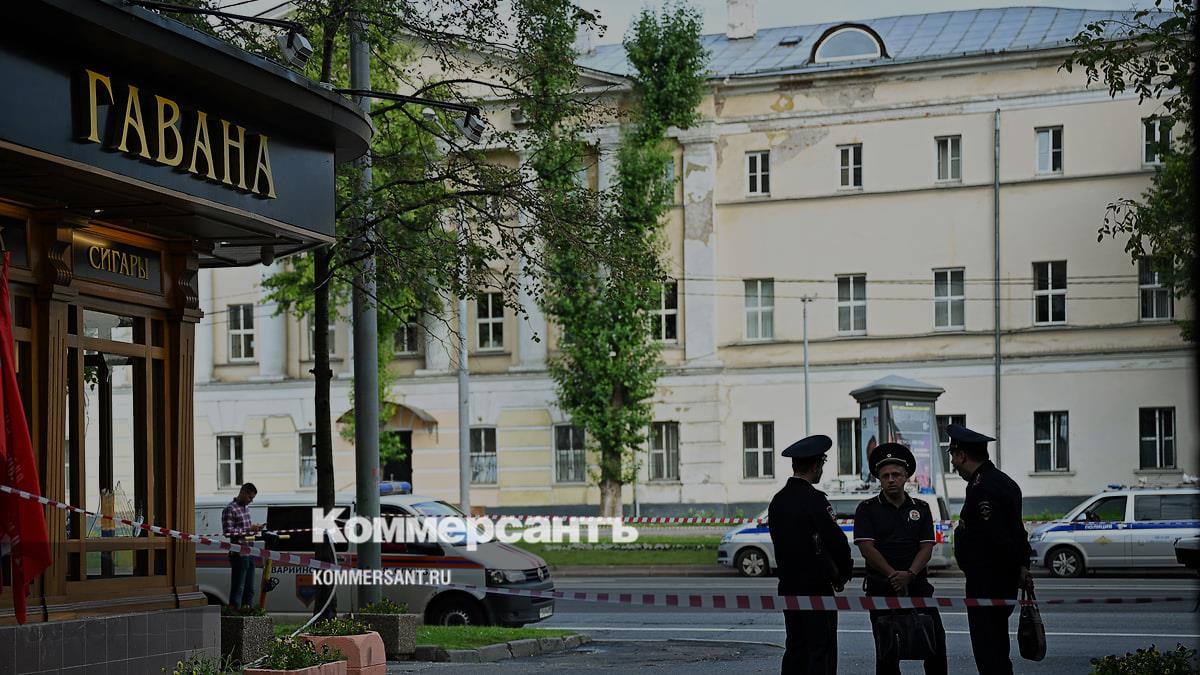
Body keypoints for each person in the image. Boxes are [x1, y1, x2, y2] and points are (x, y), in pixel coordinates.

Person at [946, 424, 1034, 675]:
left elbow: (997, 537)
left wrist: (1015, 567)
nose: (953, 462)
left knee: (989, 652)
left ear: (962, 455)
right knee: (996, 648)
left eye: (953, 455)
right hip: (999, 580)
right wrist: (1022, 566)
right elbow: (1017, 532)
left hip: (988, 582)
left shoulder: (982, 487)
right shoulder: (1003, 481)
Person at [854, 442, 948, 675]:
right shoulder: (866, 509)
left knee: (935, 646)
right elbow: (867, 548)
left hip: (918, 587)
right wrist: (893, 576)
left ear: (906, 476)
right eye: (885, 475)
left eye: (896, 474)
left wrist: (910, 575)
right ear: (879, 479)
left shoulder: (922, 508)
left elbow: (926, 547)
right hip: (882, 590)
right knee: (888, 654)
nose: (891, 479)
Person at [768, 434, 853, 675]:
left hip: (788, 585)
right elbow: (835, 540)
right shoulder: (814, 499)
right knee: (820, 648)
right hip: (816, 587)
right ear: (816, 465)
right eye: (822, 465)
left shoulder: (778, 500)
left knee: (795, 646)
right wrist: (843, 574)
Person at [221, 482, 263, 608]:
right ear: (243, 493)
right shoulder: (230, 509)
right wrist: (248, 530)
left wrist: (255, 529)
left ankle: (247, 615)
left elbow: (245, 529)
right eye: (250, 497)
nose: (251, 501)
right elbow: (228, 532)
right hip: (238, 554)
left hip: (250, 552)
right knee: (238, 589)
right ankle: (235, 617)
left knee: (250, 589)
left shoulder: (246, 508)